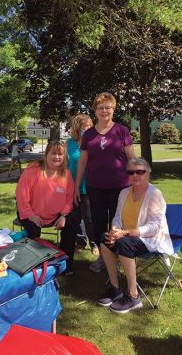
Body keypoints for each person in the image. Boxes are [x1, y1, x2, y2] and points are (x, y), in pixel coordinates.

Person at [97, 157, 173, 314]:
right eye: (131, 172)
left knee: (123, 243)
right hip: (126, 235)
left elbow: (154, 227)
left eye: (140, 172)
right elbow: (117, 216)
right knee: (105, 239)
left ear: (148, 174)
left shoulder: (155, 194)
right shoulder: (124, 192)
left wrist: (125, 233)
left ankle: (134, 296)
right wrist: (114, 231)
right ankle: (115, 288)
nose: (135, 175)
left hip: (150, 239)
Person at [74, 92, 135, 272]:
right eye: (100, 108)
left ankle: (120, 256)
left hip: (121, 187)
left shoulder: (122, 131)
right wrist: (77, 186)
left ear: (113, 109)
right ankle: (104, 258)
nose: (104, 111)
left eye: (108, 107)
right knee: (99, 224)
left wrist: (136, 183)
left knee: (118, 224)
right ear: (95, 111)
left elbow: (132, 159)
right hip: (96, 188)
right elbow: (83, 162)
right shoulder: (89, 135)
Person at [16, 141, 77, 275]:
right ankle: (33, 265)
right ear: (46, 155)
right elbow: (21, 194)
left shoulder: (66, 174)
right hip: (31, 213)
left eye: (60, 154)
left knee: (72, 223)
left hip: (56, 215)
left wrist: (63, 216)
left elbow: (69, 198)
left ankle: (65, 263)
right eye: (53, 153)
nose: (57, 157)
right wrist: (30, 215)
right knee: (33, 229)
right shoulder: (33, 169)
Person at [66, 114, 98, 255]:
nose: (88, 128)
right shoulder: (69, 144)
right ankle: (80, 241)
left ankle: (94, 243)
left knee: (90, 218)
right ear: (77, 128)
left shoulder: (95, 143)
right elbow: (65, 165)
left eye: (90, 125)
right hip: (73, 186)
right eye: (85, 126)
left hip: (89, 185)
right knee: (75, 217)